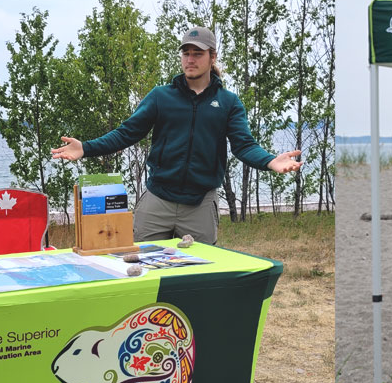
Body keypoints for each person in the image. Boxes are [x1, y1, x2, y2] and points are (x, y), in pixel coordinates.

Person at [50, 26, 301, 245]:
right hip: (157, 200)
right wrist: (86, 148)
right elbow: (127, 133)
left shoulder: (228, 103)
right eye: (186, 53)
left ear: (212, 56)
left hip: (200, 205)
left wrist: (270, 161)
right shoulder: (161, 96)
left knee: (198, 278)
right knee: (141, 269)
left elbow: (244, 146)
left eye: (198, 53)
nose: (190, 59)